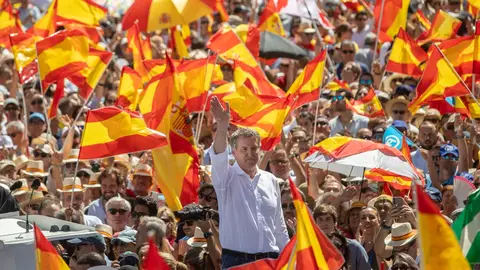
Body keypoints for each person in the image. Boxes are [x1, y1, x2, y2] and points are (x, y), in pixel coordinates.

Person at [209, 96, 289, 269]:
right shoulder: (225, 178)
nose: (249, 154)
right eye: (244, 149)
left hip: (271, 261)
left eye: (254, 149)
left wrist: (287, 258)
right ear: (234, 152)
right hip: (237, 262)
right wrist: (222, 126)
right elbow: (218, 155)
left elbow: (279, 226)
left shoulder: (271, 180)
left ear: (260, 151)